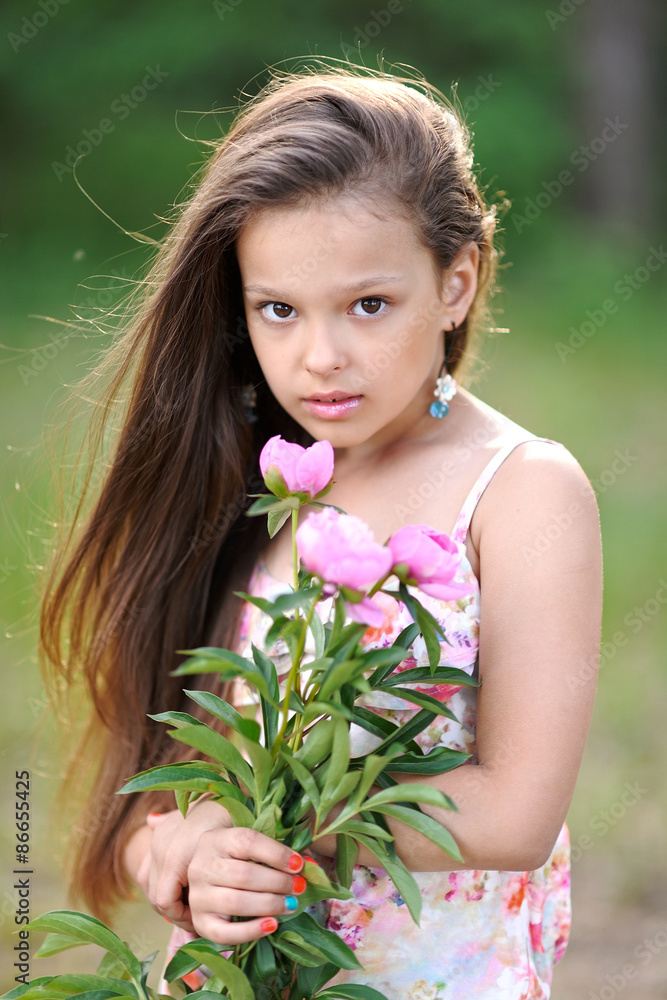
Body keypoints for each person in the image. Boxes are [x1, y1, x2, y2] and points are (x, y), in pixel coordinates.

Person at [40, 62, 603, 999]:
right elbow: (174, 787)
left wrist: (271, 830)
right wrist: (181, 852)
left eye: (368, 305)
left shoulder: (520, 492)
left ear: (454, 284)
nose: (320, 358)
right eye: (278, 310)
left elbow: (515, 810)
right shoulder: (272, 474)